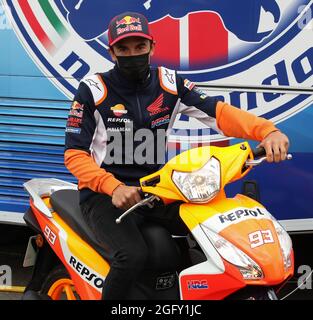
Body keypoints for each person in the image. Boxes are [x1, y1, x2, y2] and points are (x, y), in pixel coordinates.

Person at [64, 11, 289, 300]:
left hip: (157, 191)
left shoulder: (170, 83)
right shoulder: (93, 91)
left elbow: (219, 113)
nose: (132, 54)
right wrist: (114, 187)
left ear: (152, 47)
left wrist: (266, 131)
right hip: (105, 197)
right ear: (112, 52)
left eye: (139, 47)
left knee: (217, 234)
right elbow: (74, 155)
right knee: (131, 256)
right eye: (123, 49)